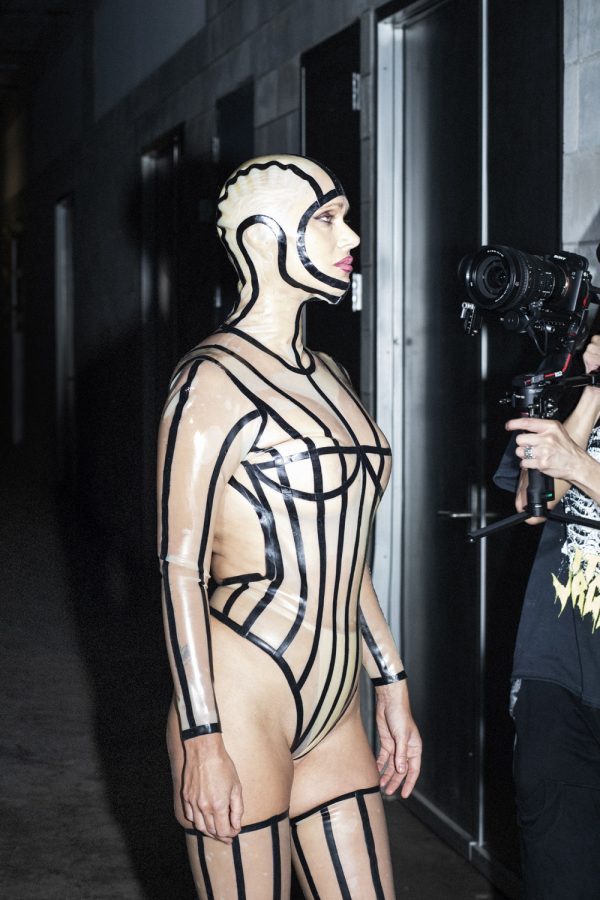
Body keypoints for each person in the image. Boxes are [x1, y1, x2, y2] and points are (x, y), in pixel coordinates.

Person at [157, 154, 422, 898]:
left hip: (335, 705)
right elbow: (178, 568)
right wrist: (202, 738)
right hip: (241, 696)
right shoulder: (209, 380)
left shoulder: (332, 374)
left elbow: (346, 553)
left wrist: (392, 682)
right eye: (327, 219)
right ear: (264, 237)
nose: (352, 237)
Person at [496, 334, 600, 899]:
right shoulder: (570, 373)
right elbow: (533, 503)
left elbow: (573, 471)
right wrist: (591, 395)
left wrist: (582, 466)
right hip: (556, 675)